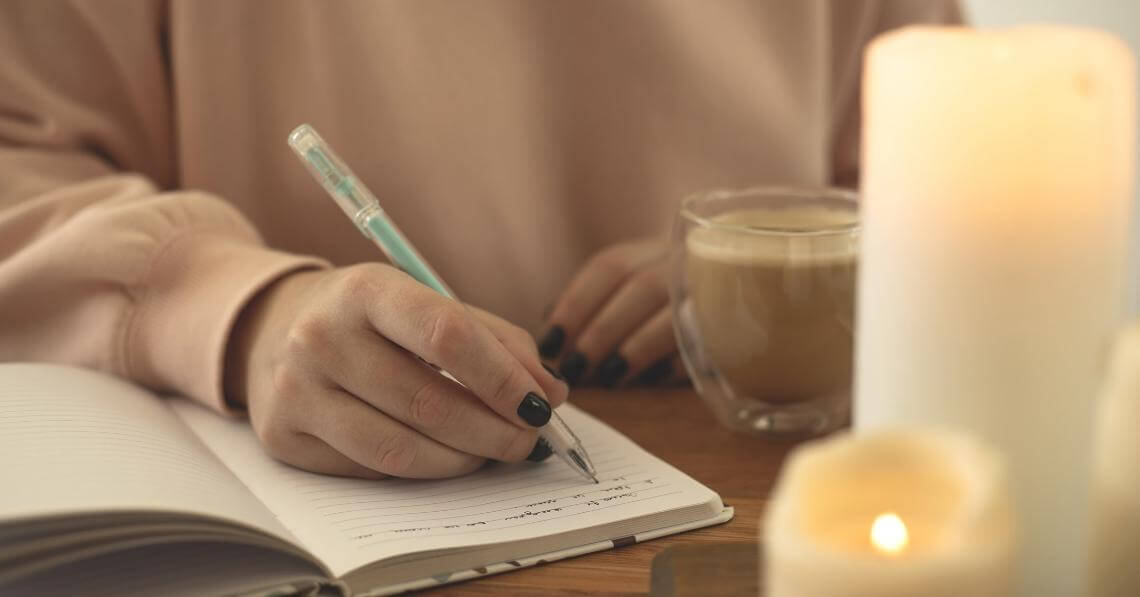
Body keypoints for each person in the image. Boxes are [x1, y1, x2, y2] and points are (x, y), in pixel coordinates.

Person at [0, 0, 961, 479]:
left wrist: (777, 269)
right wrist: (241, 309)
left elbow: (958, 166)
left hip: (770, 481)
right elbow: (22, 158)